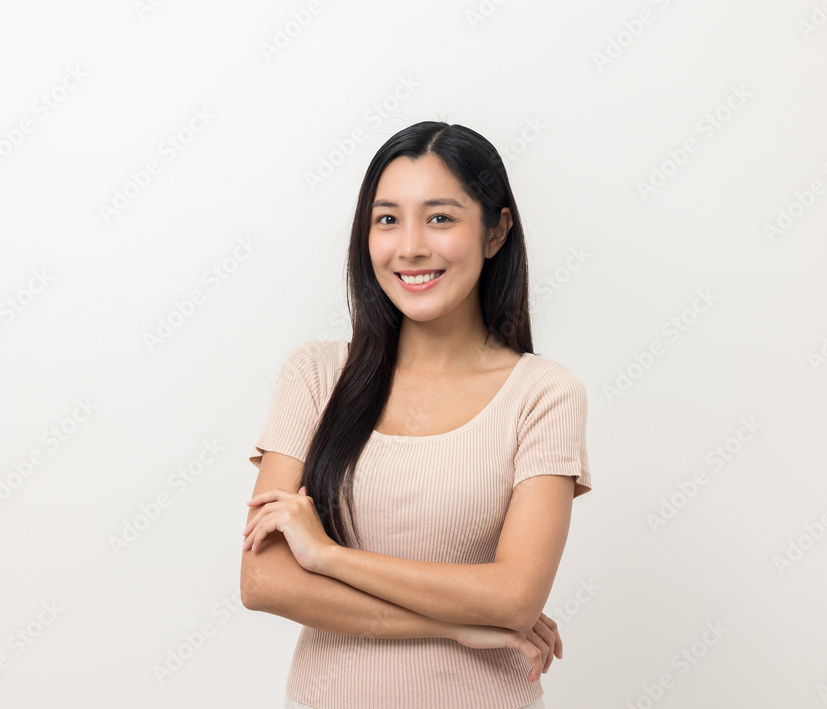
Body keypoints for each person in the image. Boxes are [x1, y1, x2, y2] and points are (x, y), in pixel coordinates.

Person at [240, 121, 592, 709]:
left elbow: (513, 598)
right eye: (387, 219)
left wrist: (327, 557)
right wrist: (454, 624)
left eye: (440, 217)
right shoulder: (315, 377)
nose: (409, 247)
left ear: (496, 232)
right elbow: (265, 580)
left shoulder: (544, 394)